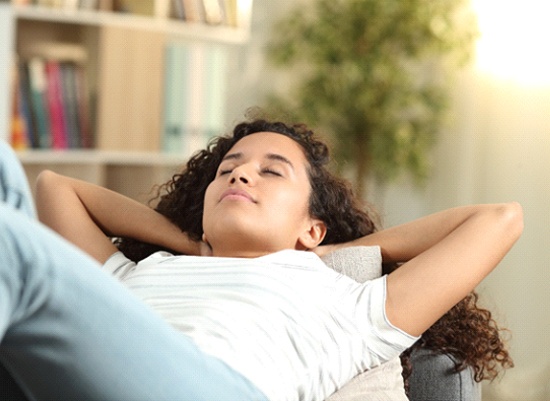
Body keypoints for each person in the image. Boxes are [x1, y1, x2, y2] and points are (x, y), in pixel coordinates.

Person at [0, 119, 522, 400]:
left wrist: (336, 251)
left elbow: (500, 218)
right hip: (102, 366)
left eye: (271, 172)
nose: (240, 175)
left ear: (312, 227)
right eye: (227, 169)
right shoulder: (149, 270)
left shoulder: (347, 305)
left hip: (220, 389)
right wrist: (188, 244)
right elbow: (55, 187)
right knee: (7, 172)